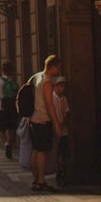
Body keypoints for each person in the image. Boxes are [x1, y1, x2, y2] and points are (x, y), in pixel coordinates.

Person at [30, 54, 63, 191]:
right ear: (52, 67)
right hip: (43, 119)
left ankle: (35, 179)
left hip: (33, 118)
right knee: (43, 151)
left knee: (36, 150)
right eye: (58, 68)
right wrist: (56, 122)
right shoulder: (47, 82)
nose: (59, 71)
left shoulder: (37, 77)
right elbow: (50, 104)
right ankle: (41, 180)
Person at [0, 60, 19, 159]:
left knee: (0, 129)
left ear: (2, 70)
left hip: (2, 108)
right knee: (11, 129)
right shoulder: (13, 81)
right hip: (12, 108)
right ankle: (10, 146)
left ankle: (6, 143)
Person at [52, 74, 71, 188]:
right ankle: (58, 173)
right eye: (61, 86)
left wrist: (64, 121)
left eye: (64, 86)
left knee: (63, 153)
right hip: (55, 130)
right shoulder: (52, 98)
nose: (62, 88)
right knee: (56, 153)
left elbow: (67, 112)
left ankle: (63, 173)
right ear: (56, 86)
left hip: (64, 130)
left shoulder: (64, 99)